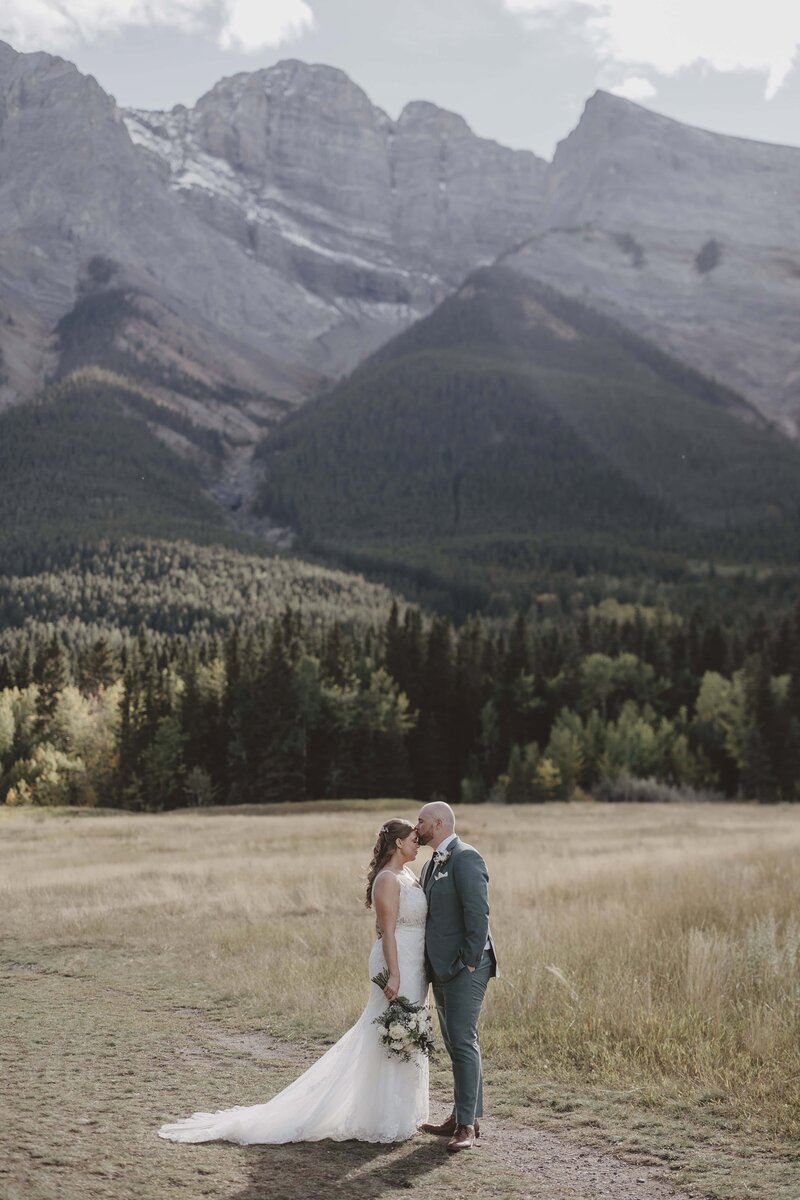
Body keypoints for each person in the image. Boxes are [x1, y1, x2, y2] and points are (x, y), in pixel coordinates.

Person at [157, 819, 429, 1145]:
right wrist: (395, 974)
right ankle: (381, 1116)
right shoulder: (387, 879)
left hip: (414, 965)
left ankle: (398, 1112)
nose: (419, 843)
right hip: (395, 963)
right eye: (414, 839)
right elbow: (386, 931)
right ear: (398, 843)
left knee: (406, 1032)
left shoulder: (410, 875)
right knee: (386, 1033)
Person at [415, 801, 498, 1153]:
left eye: (420, 821)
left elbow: (478, 913)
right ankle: (462, 1114)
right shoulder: (431, 863)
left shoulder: (466, 858)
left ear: (438, 823)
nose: (416, 827)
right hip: (441, 967)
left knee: (463, 1041)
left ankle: (466, 1127)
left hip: (467, 967)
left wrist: (468, 961)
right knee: (454, 1043)